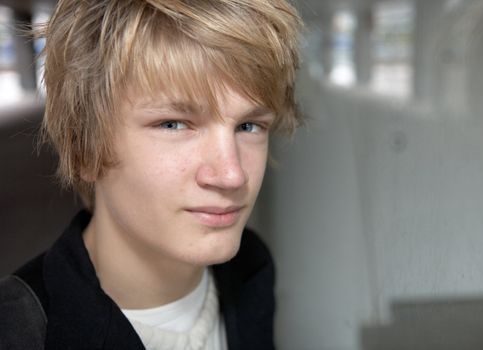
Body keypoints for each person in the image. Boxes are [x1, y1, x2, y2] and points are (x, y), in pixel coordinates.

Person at [0, 0, 303, 349]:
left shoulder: (250, 271)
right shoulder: (19, 332)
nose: (232, 175)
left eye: (249, 125)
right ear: (84, 146)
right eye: (173, 124)